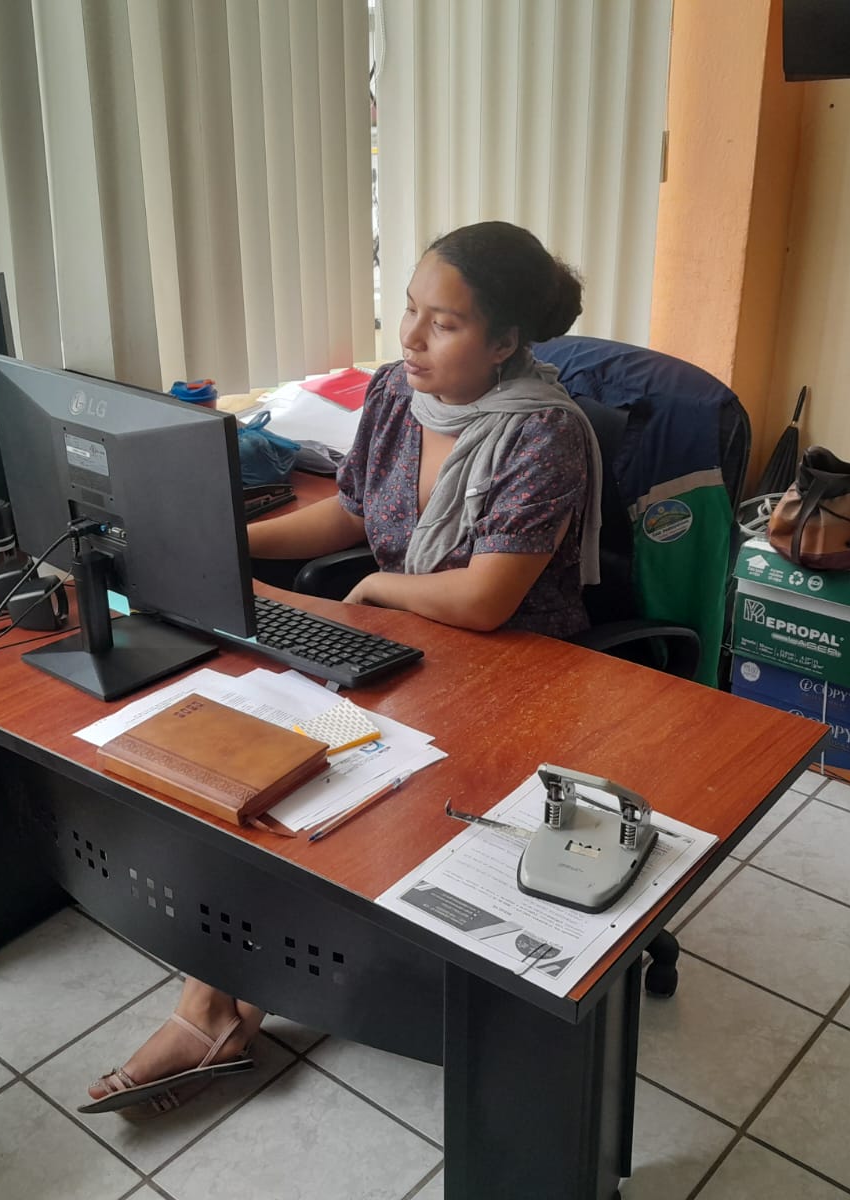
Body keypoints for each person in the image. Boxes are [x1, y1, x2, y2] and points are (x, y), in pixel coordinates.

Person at [84, 220, 602, 1117]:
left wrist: (372, 590)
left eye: (444, 323)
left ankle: (230, 1005)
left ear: (506, 341)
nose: (411, 337)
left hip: (510, 679)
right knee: (260, 769)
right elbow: (353, 513)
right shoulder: (401, 393)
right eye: (410, 308)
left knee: (314, 784)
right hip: (402, 653)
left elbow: (485, 600)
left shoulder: (543, 435)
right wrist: (227, 542)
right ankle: (219, 1001)